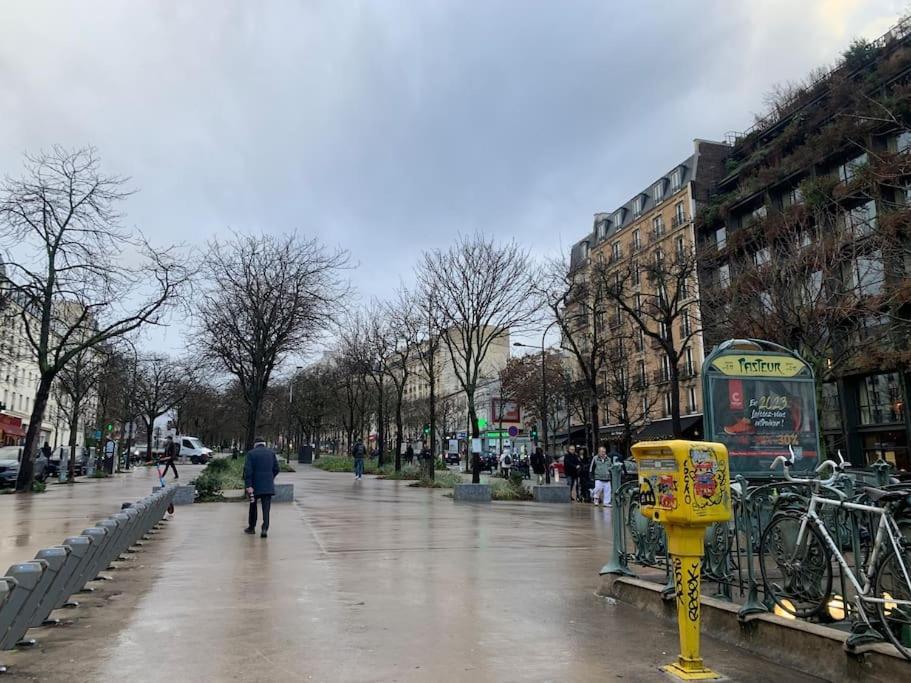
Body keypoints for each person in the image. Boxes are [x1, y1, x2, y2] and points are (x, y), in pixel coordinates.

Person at [244, 438, 280, 538]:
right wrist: (270, 477)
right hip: (268, 485)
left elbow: (248, 471)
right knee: (266, 508)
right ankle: (264, 529)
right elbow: (277, 468)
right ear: (264, 444)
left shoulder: (251, 454)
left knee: (253, 506)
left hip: (255, 486)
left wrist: (249, 485)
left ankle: (251, 527)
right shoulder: (271, 453)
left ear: (255, 444)